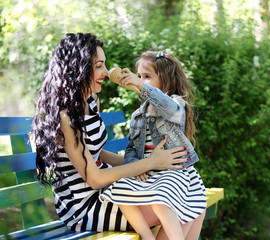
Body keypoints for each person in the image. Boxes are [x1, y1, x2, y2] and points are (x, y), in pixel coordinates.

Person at [32, 33, 189, 233]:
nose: (106, 72)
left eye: (104, 65)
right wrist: (150, 163)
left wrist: (144, 164)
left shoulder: (90, 101)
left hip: (106, 193)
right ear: (77, 69)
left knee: (190, 202)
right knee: (177, 209)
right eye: (99, 66)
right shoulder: (65, 117)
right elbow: (94, 178)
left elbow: (97, 152)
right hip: (84, 207)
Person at [99, 51, 207, 240]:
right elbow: (132, 146)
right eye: (139, 76)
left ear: (165, 80)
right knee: (119, 187)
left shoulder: (175, 105)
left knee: (160, 198)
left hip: (172, 173)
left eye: (147, 77)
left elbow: (165, 104)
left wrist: (141, 85)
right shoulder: (138, 115)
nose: (140, 80)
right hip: (149, 175)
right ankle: (147, 236)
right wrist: (134, 167)